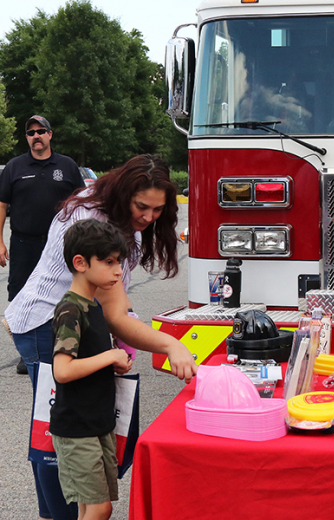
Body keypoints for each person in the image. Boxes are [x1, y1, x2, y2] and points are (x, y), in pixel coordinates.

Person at [6, 154, 198, 520]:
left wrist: (123, 338)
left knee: (60, 430)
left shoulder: (122, 215)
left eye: (158, 211)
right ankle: (60, 515)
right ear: (125, 192)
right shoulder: (91, 218)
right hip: (47, 323)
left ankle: (63, 512)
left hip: (85, 322)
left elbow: (117, 306)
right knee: (56, 433)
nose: (148, 217)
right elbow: (115, 314)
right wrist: (169, 344)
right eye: (143, 206)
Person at [50, 219, 133, 520]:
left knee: (94, 507)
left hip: (97, 423)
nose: (118, 270)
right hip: (76, 428)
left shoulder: (93, 305)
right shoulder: (71, 309)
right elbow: (63, 370)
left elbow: (91, 359)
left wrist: (115, 362)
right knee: (99, 508)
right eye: (109, 261)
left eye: (119, 262)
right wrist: (111, 355)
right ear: (80, 262)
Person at [0, 115, 85, 374]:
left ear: (50, 134)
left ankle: (64, 349)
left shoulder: (67, 166)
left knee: (65, 295)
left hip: (61, 245)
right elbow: (2, 205)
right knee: (20, 293)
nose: (36, 136)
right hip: (24, 243)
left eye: (41, 131)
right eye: (31, 132)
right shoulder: (14, 167)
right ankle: (28, 353)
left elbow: (81, 202)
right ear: (27, 138)